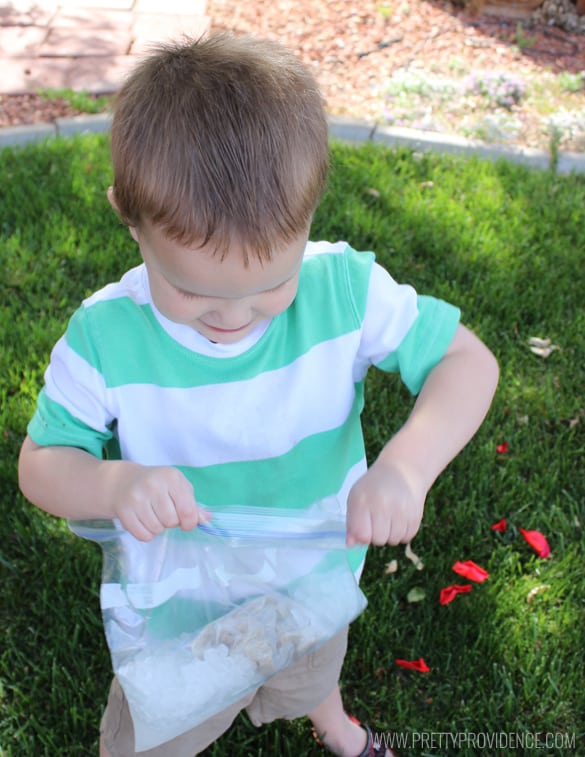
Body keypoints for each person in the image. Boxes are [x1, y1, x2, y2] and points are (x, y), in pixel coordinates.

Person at [18, 33, 499, 757]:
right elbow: (42, 462)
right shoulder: (105, 337)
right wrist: (113, 482)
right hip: (178, 608)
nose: (233, 316)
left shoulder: (341, 290)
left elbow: (466, 361)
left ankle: (330, 721)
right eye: (190, 288)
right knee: (157, 734)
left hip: (310, 573)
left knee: (307, 660)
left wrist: (406, 467)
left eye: (271, 284)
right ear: (129, 215)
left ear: (308, 217)